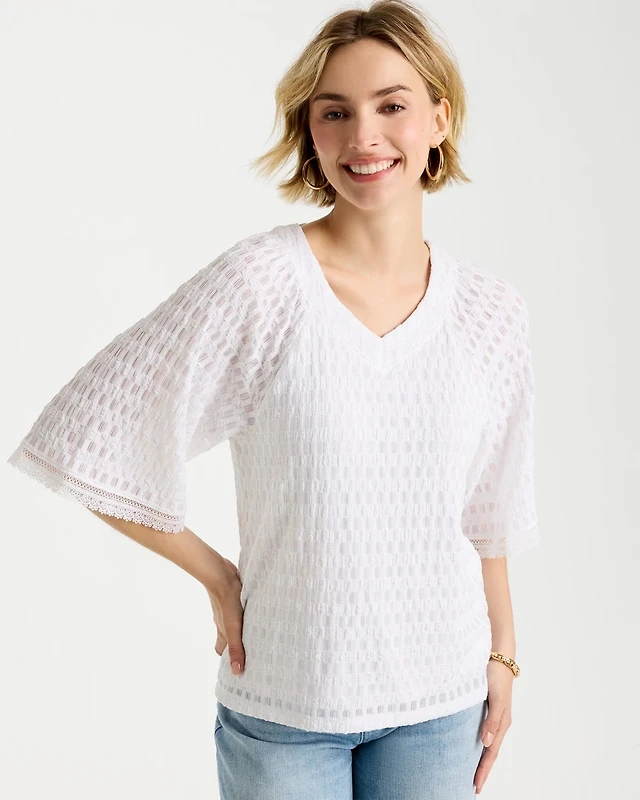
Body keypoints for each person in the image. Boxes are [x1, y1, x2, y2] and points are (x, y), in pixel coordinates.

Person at [7, 1, 539, 797]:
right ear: (310, 132)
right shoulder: (262, 284)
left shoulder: (491, 311)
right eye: (335, 112)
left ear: (438, 118)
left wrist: (503, 653)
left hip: (441, 700)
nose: (364, 137)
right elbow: (85, 433)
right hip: (286, 707)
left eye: (391, 106)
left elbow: (490, 507)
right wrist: (218, 577)